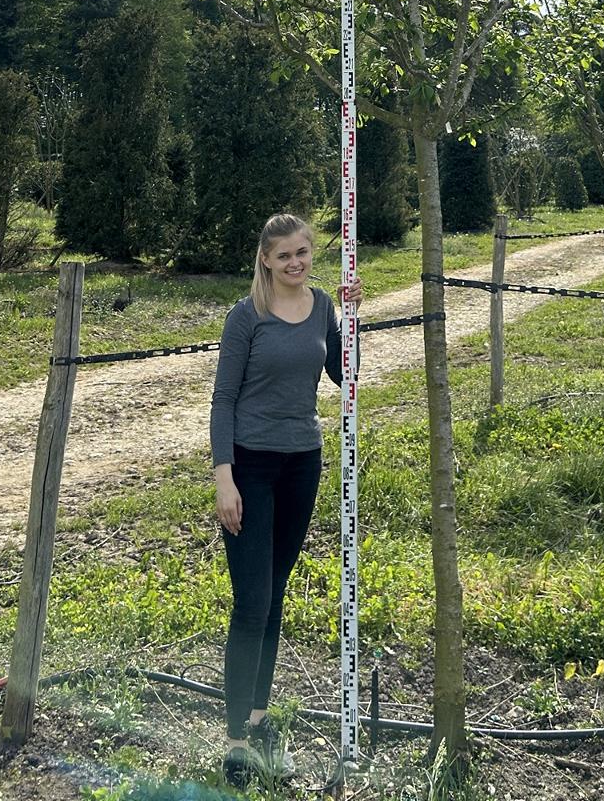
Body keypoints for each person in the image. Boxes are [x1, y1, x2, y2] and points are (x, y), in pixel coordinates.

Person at [210, 213, 363, 790]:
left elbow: (346, 374)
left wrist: (350, 317)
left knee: (274, 596)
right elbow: (223, 400)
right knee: (251, 603)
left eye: (303, 253)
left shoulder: (323, 306)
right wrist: (225, 480)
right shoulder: (246, 316)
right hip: (250, 465)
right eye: (284, 256)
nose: (295, 263)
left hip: (304, 462)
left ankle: (257, 715)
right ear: (265, 261)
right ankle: (236, 742)